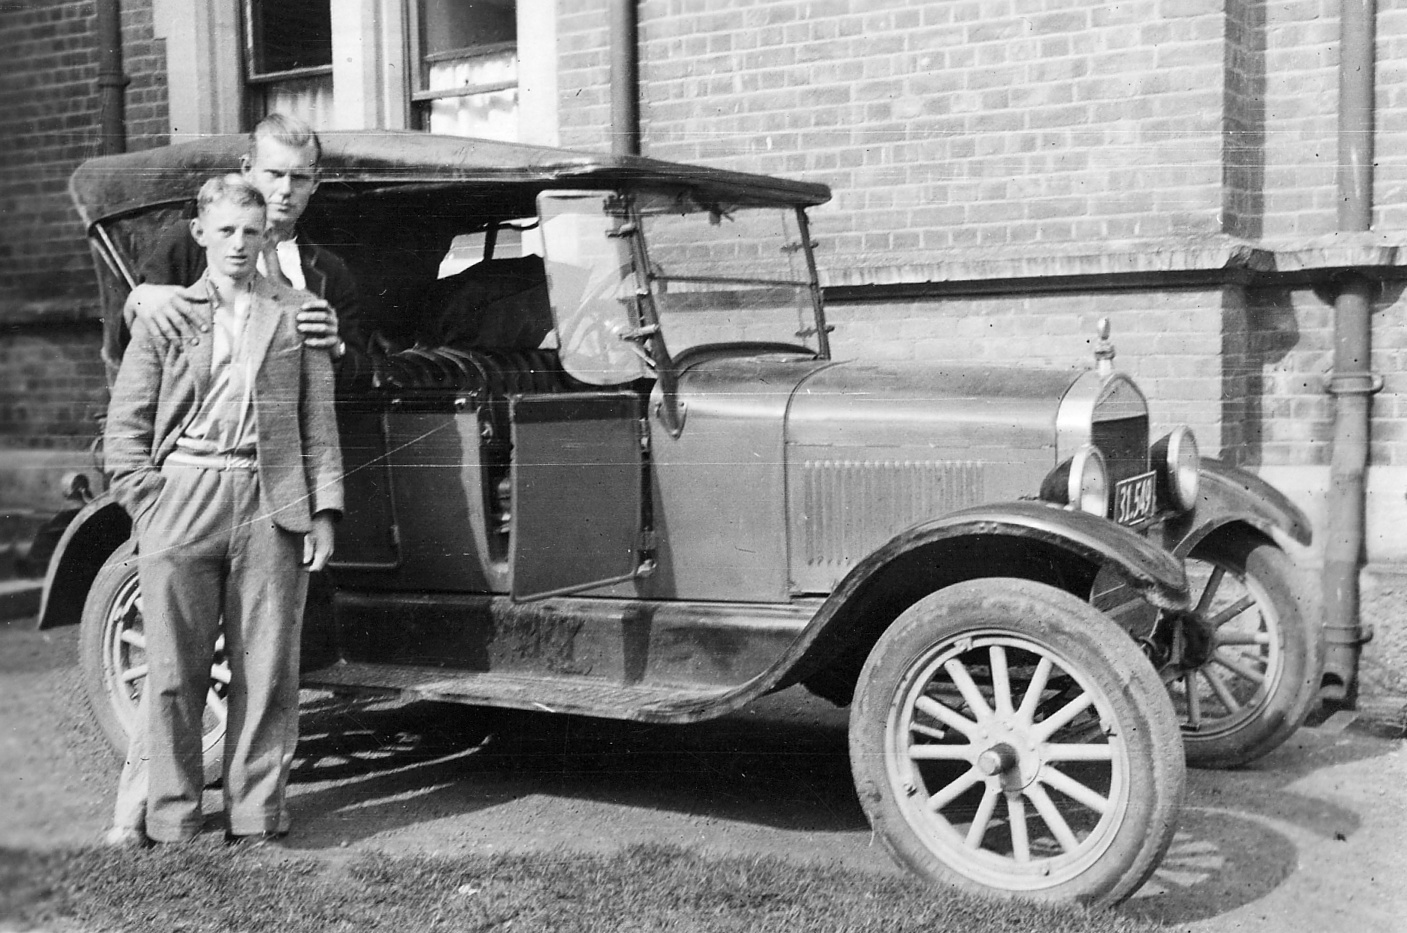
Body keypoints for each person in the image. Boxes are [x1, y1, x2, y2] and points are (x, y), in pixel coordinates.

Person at [103, 174, 343, 846]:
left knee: (265, 670)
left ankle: (256, 814)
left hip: (270, 501)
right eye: (226, 231)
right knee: (173, 671)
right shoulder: (169, 313)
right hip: (184, 495)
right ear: (201, 233)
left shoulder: (297, 312)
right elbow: (126, 428)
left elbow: (318, 423)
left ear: (267, 236)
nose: (239, 244)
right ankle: (171, 815)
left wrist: (323, 511)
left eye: (251, 232)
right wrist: (151, 504)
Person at [123, 113, 364, 381]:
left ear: (316, 182)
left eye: (299, 178)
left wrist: (336, 348)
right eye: (274, 174)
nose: (286, 189)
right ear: (247, 169)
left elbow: (361, 375)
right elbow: (132, 340)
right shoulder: (193, 241)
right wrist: (140, 297)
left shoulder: (330, 270)